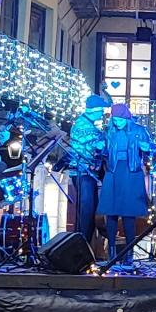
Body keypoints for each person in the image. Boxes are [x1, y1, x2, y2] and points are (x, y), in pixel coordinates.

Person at [97, 103, 156, 264]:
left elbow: (152, 147)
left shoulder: (139, 131)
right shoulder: (109, 132)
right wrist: (100, 148)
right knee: (111, 212)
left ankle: (129, 253)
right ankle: (111, 252)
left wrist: (147, 147)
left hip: (131, 172)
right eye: (115, 120)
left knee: (128, 214)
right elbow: (103, 152)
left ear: (127, 118)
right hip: (114, 172)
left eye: (121, 119)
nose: (118, 123)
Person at [66, 92, 112, 248]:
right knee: (87, 211)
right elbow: (96, 146)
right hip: (83, 172)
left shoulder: (91, 125)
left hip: (88, 173)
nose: (102, 114)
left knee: (90, 211)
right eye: (101, 111)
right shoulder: (82, 125)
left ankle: (86, 247)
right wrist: (105, 136)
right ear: (94, 110)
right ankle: (80, 247)